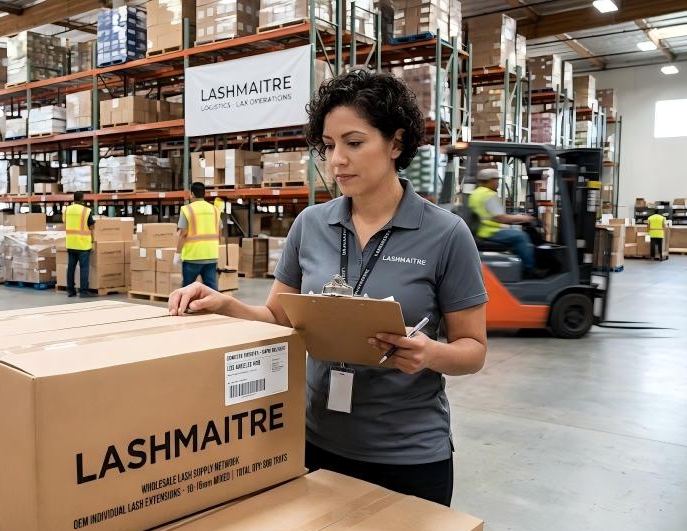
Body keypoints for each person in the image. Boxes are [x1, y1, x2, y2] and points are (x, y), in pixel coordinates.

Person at [168, 70, 488, 507]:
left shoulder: (446, 234)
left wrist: (429, 354)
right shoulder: (311, 225)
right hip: (316, 442)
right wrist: (224, 304)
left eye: (353, 143)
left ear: (396, 143)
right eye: (328, 145)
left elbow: (473, 350)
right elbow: (278, 318)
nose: (336, 160)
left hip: (408, 454)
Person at [468, 168, 537, 274]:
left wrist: (514, 219)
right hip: (489, 232)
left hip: (482, 230)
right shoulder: (488, 194)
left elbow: (490, 216)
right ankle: (530, 269)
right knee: (521, 236)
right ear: (490, 180)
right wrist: (524, 218)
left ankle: (518, 265)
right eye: (497, 180)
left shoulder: (475, 193)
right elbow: (501, 218)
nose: (498, 183)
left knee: (514, 232)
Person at [176, 182, 221, 290]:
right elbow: (219, 230)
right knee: (212, 290)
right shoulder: (214, 209)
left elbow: (183, 233)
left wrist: (178, 253)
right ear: (204, 194)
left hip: (193, 256)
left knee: (187, 290)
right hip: (211, 255)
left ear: (192, 194)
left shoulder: (187, 209)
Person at [64, 192, 96, 297]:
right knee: (84, 268)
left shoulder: (67, 210)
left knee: (71, 268)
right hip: (83, 244)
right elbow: (91, 226)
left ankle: (70, 290)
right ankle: (83, 291)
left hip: (71, 243)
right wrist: (93, 240)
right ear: (82, 199)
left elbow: (65, 222)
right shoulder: (86, 211)